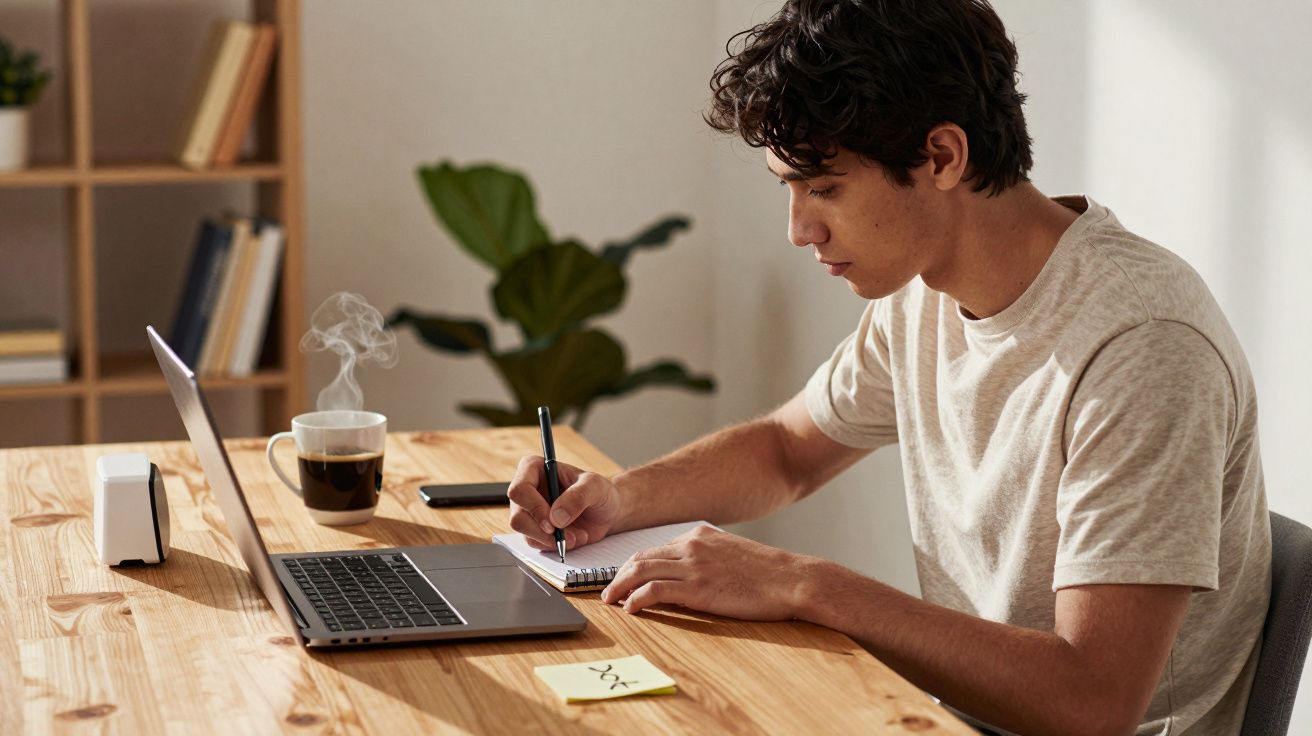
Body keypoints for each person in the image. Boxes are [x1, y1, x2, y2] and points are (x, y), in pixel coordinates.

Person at [506, 1, 1270, 733]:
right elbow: (786, 451)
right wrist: (616, 499)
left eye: (825, 188)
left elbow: (1092, 704)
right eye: (791, 188)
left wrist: (804, 585)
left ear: (943, 156)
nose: (800, 229)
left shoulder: (1142, 344)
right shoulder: (923, 293)